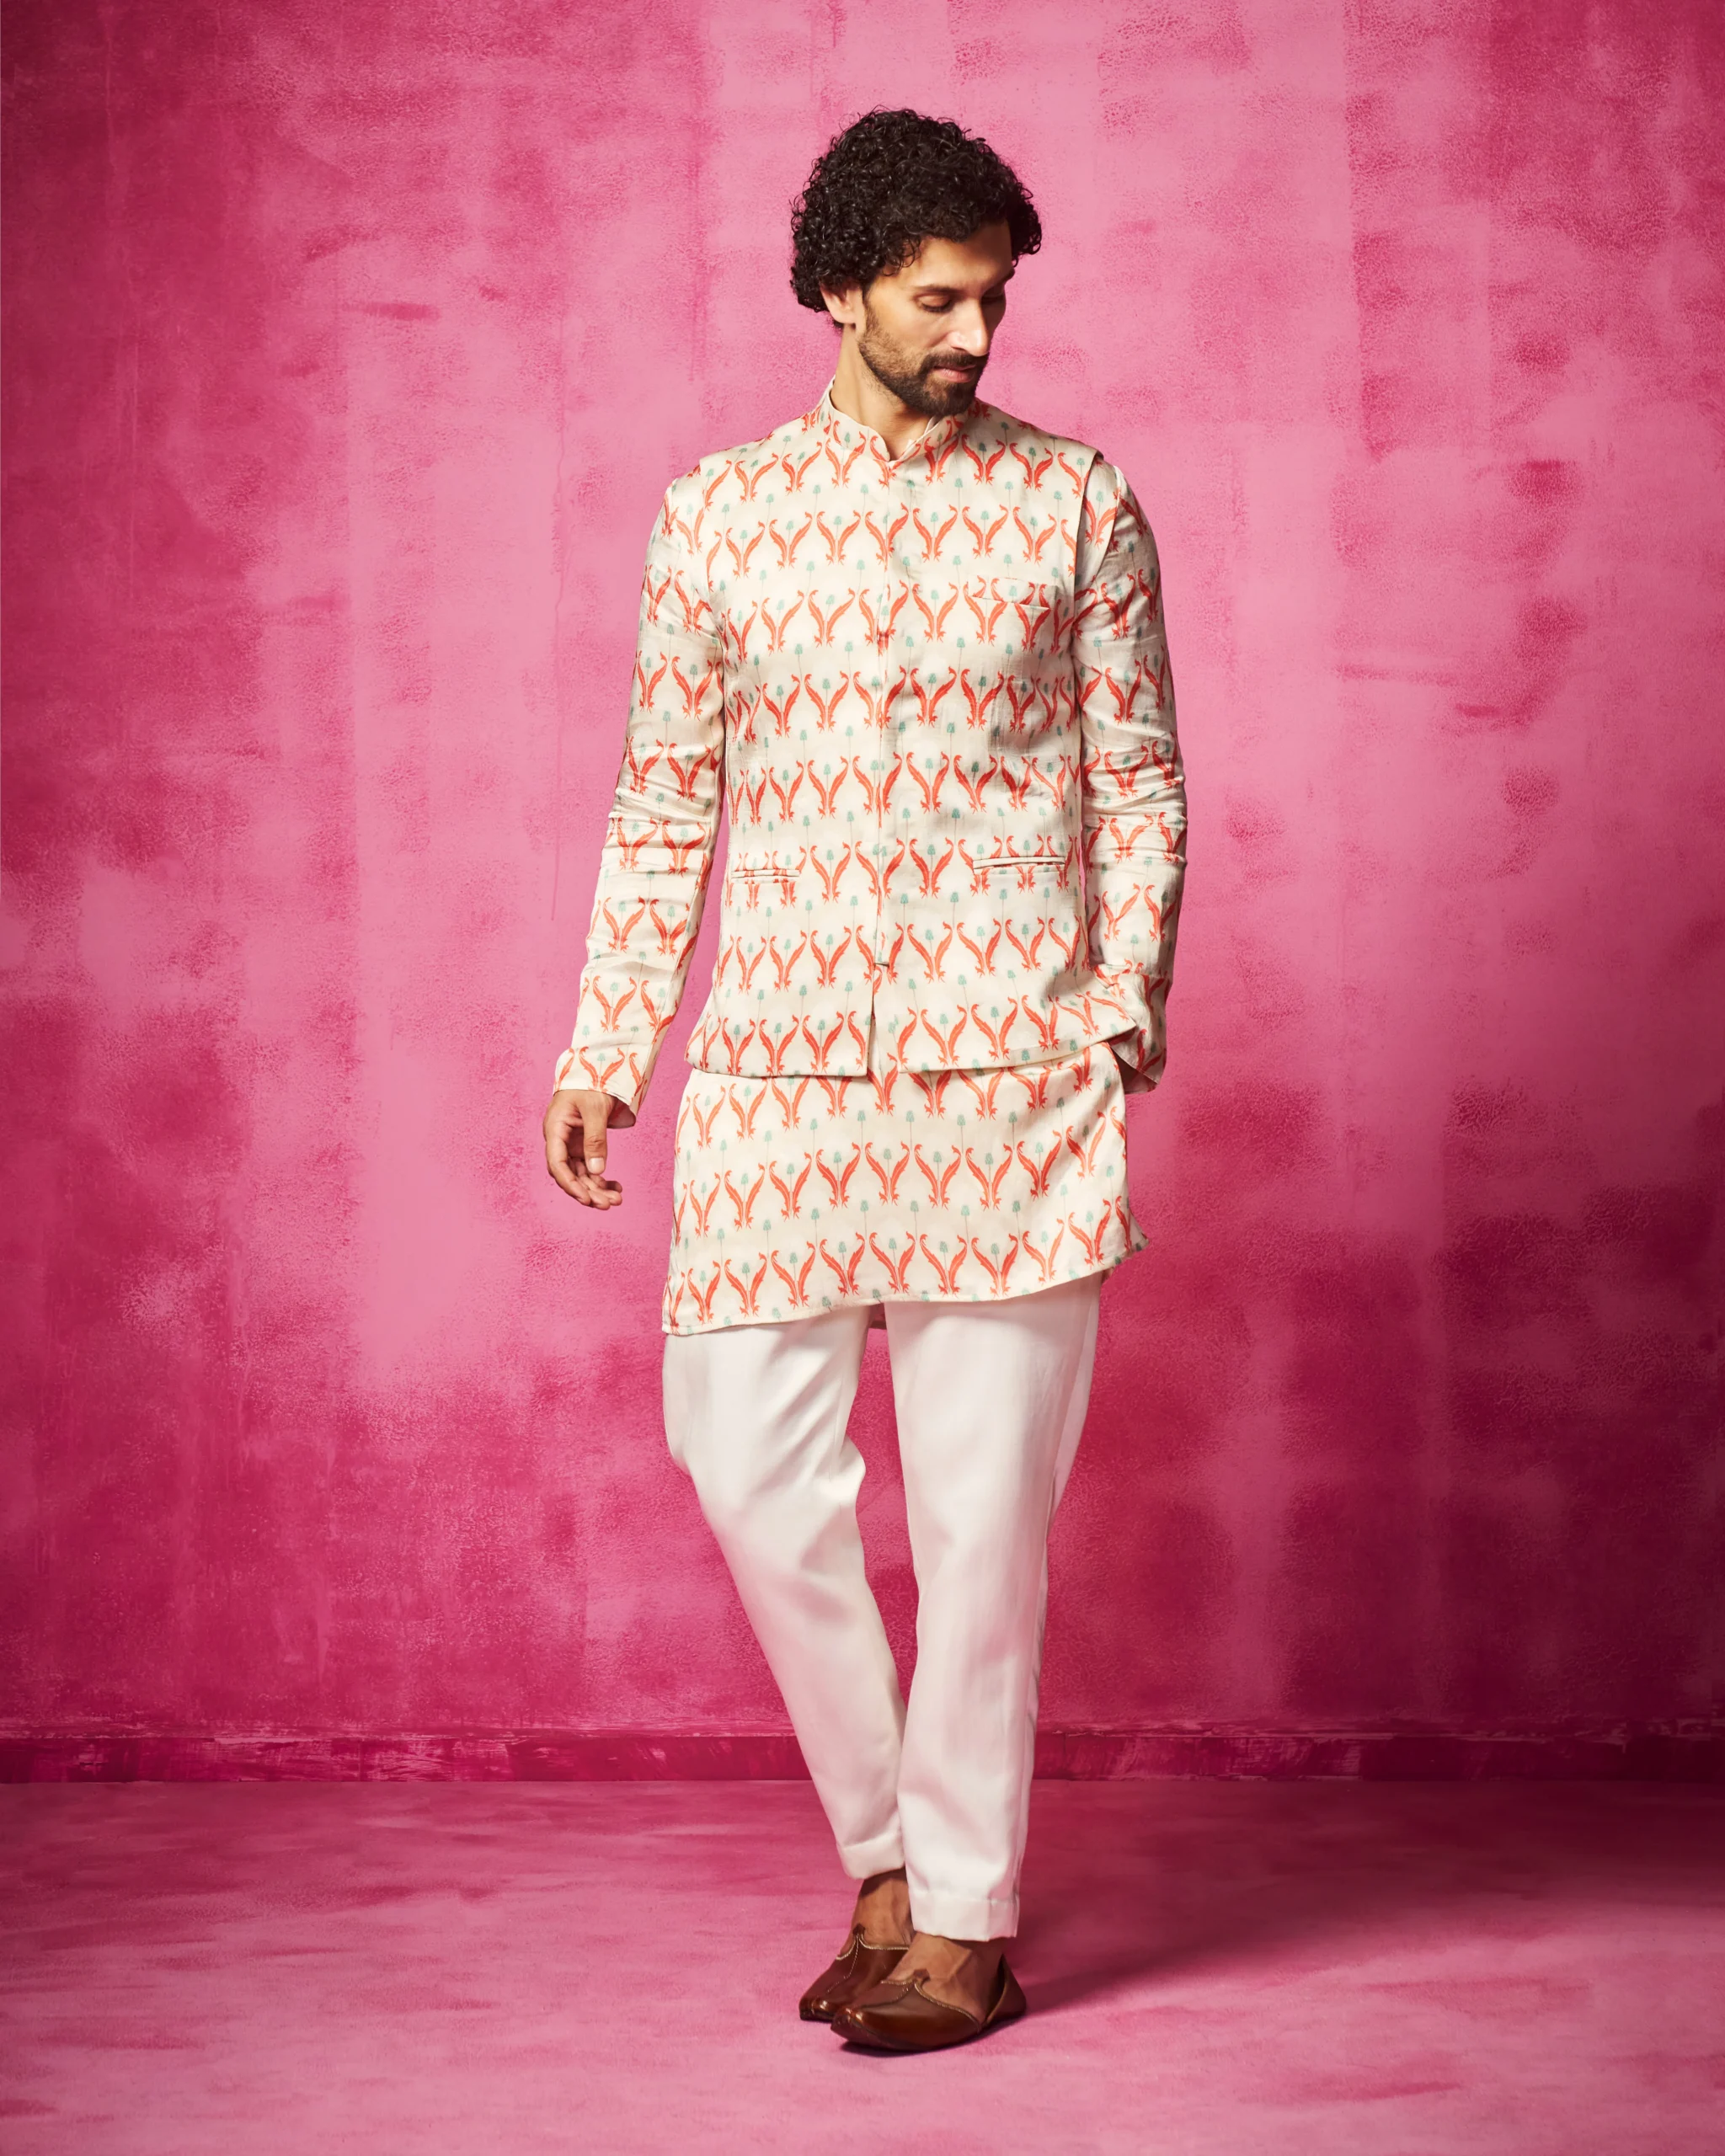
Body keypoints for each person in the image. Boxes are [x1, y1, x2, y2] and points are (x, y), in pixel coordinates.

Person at [543, 108, 1185, 2053]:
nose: (974, 331)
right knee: (743, 1464)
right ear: (839, 289)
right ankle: (892, 1856)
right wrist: (607, 1042)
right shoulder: (717, 518)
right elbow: (666, 801)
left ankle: (964, 1917)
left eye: (992, 298)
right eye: (936, 297)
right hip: (778, 1075)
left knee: (984, 1521)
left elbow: (1136, 774)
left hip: (1012, 1080)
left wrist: (1116, 999)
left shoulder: (1074, 504)